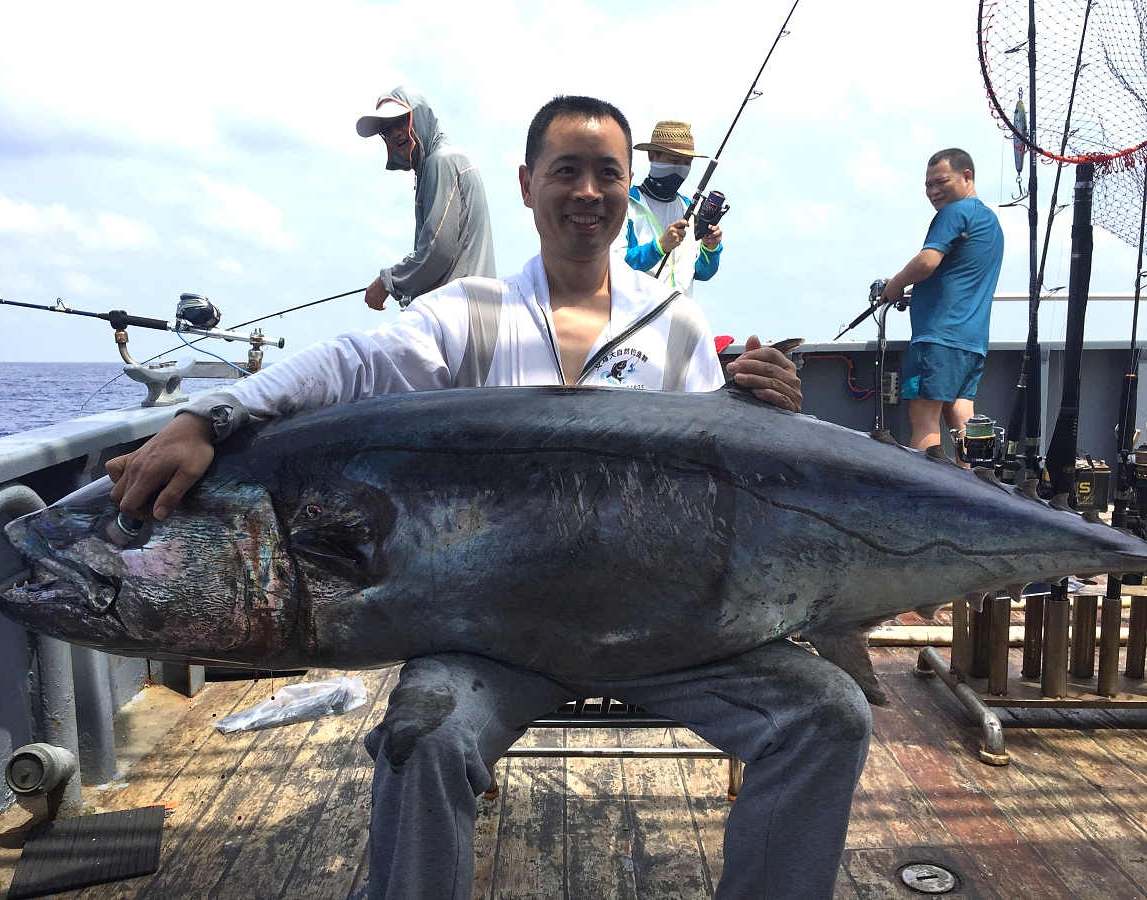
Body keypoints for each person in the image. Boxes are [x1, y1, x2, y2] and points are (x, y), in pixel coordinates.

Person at [107, 96, 869, 900]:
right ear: (527, 185)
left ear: (627, 187)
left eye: (607, 173)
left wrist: (770, 409)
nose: (587, 191)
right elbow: (350, 366)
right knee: (421, 737)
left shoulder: (676, 323)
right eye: (564, 171)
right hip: (496, 642)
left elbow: (730, 477)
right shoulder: (471, 313)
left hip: (666, 636)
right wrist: (205, 414)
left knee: (829, 713)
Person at [880, 148, 1004, 452]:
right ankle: (979, 490)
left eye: (941, 181)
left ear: (967, 177)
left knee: (923, 419)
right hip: (972, 342)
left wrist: (895, 284)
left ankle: (927, 498)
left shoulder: (953, 213)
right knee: (962, 419)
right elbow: (960, 276)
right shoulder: (990, 222)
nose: (934, 191)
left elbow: (928, 262)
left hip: (938, 339)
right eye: (927, 185)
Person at [356, 86, 497, 311]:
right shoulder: (441, 162)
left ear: (418, 117)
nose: (394, 134)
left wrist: (388, 282)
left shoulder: (440, 162)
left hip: (460, 316)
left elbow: (437, 251)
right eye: (386, 130)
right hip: (470, 311)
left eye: (401, 122)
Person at [616, 120, 723, 298]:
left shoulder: (691, 210)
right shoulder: (625, 205)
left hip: (679, 319)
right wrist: (658, 247)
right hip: (635, 317)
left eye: (687, 162)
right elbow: (614, 266)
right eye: (673, 160)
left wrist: (710, 248)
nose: (680, 168)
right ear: (651, 156)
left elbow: (702, 272)